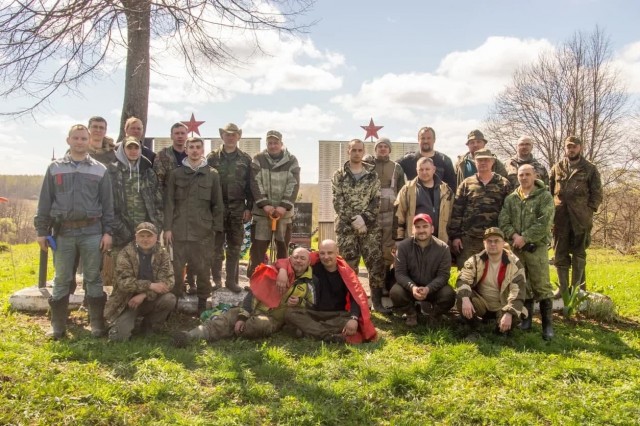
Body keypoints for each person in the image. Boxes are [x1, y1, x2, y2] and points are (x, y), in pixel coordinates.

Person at [34, 124, 114, 339]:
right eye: (76, 138)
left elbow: (108, 205)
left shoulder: (100, 169)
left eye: (83, 138)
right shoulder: (55, 168)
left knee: (93, 278)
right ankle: (58, 326)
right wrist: (42, 231)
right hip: (63, 234)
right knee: (61, 279)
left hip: (92, 232)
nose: (79, 142)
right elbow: (45, 202)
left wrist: (108, 232)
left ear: (89, 141)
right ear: (68, 140)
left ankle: (96, 323)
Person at [172, 248, 314, 347]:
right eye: (295, 257)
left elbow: (314, 306)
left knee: (258, 324)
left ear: (309, 262)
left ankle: (230, 330)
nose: (298, 261)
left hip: (272, 319)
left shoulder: (311, 283)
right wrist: (242, 317)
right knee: (227, 318)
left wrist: (300, 302)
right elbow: (253, 294)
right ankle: (190, 336)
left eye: (303, 258)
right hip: (252, 309)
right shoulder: (274, 272)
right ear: (290, 259)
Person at [164, 137, 223, 313]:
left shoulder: (212, 174)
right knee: (176, 270)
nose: (195, 150)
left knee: (204, 269)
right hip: (179, 231)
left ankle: (202, 305)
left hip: (203, 232)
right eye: (191, 147)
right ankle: (173, 305)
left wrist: (215, 230)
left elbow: (217, 204)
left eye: (198, 147)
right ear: (186, 150)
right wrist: (167, 228)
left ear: (202, 150)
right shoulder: (176, 174)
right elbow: (169, 203)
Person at [331, 139, 388, 314]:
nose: (357, 153)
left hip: (369, 228)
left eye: (360, 150)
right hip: (346, 229)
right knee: (349, 266)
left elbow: (376, 201)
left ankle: (377, 303)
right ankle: (352, 303)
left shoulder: (372, 175)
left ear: (364, 152)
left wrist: (364, 219)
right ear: (348, 151)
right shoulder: (339, 175)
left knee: (375, 264)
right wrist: (354, 220)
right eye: (353, 150)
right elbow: (337, 201)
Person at [499, 164, 555, 340]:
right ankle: (526, 319)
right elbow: (503, 220)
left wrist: (525, 237)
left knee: (541, 285)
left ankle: (547, 326)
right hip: (516, 248)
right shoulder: (511, 199)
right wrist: (514, 236)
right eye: (521, 175)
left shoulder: (544, 197)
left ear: (535, 175)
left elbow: (544, 222)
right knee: (523, 284)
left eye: (527, 174)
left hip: (536, 248)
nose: (524, 178)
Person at [284, 240, 377, 343]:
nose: (326, 257)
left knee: (351, 322)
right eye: (322, 253)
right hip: (314, 312)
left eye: (330, 253)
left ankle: (308, 331)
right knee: (290, 313)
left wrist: (354, 318)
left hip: (337, 314)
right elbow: (287, 262)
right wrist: (283, 272)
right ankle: (328, 336)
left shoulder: (346, 272)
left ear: (337, 252)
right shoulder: (312, 268)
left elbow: (356, 296)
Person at [105, 222, 176, 341]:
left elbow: (168, 282)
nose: (145, 239)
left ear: (156, 237)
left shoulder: (163, 254)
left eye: (149, 236)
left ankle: (149, 325)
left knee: (169, 299)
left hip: (150, 299)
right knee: (118, 338)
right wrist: (150, 285)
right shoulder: (125, 253)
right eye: (142, 236)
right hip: (128, 302)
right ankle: (124, 323)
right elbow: (124, 283)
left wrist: (144, 294)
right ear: (136, 237)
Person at [550, 136, 603, 296]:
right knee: (560, 253)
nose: (571, 149)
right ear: (565, 148)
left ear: (580, 148)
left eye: (574, 146)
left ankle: (578, 289)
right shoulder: (557, 167)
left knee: (579, 253)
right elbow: (549, 190)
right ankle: (563, 289)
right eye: (568, 147)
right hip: (560, 219)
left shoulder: (590, 168)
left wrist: (588, 211)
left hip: (581, 219)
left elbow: (597, 193)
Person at [207, 123, 253, 293]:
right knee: (216, 247)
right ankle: (217, 280)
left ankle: (231, 281)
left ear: (238, 136)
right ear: (222, 136)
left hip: (237, 209)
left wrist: (249, 207)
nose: (230, 137)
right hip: (217, 209)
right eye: (227, 134)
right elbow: (206, 184)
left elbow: (250, 185)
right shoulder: (212, 158)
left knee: (234, 246)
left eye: (234, 134)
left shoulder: (246, 159)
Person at [247, 130, 300, 277]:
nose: (272, 145)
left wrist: (283, 206)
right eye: (270, 142)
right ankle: (255, 278)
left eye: (275, 142)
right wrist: (265, 205)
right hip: (262, 214)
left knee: (282, 247)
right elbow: (255, 182)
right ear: (266, 144)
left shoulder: (292, 160)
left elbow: (293, 184)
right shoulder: (258, 159)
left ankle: (283, 278)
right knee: (258, 248)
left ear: (281, 144)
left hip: (283, 215)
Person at [455, 227, 527, 335]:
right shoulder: (475, 260)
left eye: (496, 241)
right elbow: (463, 279)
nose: (493, 244)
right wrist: (465, 299)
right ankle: (476, 328)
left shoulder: (515, 264)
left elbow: (517, 293)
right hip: (481, 303)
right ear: (484, 243)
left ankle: (499, 330)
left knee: (518, 312)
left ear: (503, 243)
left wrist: (508, 313)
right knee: (462, 298)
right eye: (489, 241)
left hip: (502, 305)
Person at [448, 148, 511, 268]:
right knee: (467, 274)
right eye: (479, 160)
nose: (483, 163)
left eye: (486, 160)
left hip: (495, 239)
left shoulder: (504, 184)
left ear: (492, 162)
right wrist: (455, 236)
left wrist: (506, 238)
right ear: (475, 163)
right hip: (469, 240)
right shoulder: (467, 183)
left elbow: (509, 212)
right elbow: (457, 211)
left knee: (494, 274)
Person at [391, 214, 456, 326]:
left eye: (425, 226)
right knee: (396, 292)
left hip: (433, 289)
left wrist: (428, 289)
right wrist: (413, 287)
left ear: (432, 229)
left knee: (449, 294)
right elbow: (400, 274)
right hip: (411, 289)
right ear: (412, 229)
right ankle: (411, 313)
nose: (421, 230)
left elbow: (443, 276)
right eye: (417, 227)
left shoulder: (443, 248)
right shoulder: (403, 247)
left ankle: (434, 316)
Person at [371, 137, 405, 294]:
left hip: (391, 215)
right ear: (375, 149)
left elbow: (402, 192)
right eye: (380, 146)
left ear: (390, 150)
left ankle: (384, 283)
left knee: (387, 251)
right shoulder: (368, 165)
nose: (383, 149)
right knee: (373, 250)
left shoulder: (397, 168)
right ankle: (374, 284)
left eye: (386, 146)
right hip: (372, 215)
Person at [394, 156, 454, 243]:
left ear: (434, 169)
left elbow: (452, 216)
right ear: (416, 170)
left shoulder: (446, 191)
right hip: (415, 240)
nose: (424, 172)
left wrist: (452, 238)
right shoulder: (407, 189)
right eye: (421, 170)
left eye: (427, 169)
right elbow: (398, 216)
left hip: (440, 241)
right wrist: (399, 239)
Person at [398, 127, 456, 191]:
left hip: (438, 200)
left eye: (429, 138)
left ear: (434, 140)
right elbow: (391, 167)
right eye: (423, 138)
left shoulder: (445, 160)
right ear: (418, 140)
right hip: (414, 199)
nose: (425, 141)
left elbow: (452, 187)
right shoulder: (408, 160)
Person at [153, 122, 189, 194]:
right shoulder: (162, 155)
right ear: (171, 136)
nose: (180, 136)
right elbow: (158, 182)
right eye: (177, 133)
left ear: (187, 136)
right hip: (169, 198)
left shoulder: (192, 155)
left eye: (182, 133)